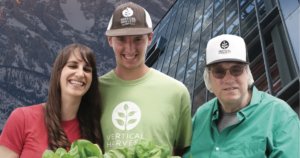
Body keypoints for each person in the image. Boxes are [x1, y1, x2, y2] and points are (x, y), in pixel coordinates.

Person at [99, 2, 192, 156]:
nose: (130, 48)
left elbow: (183, 150)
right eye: (121, 39)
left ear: (150, 38)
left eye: (137, 39)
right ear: (110, 40)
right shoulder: (95, 92)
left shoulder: (176, 92)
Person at [184, 34, 300, 158]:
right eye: (219, 71)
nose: (228, 79)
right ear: (208, 78)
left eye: (236, 70)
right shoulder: (201, 116)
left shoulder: (279, 114)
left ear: (247, 73)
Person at [0, 43, 103, 158]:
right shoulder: (22, 118)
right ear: (58, 73)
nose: (80, 73)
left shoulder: (92, 130)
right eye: (73, 66)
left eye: (87, 69)